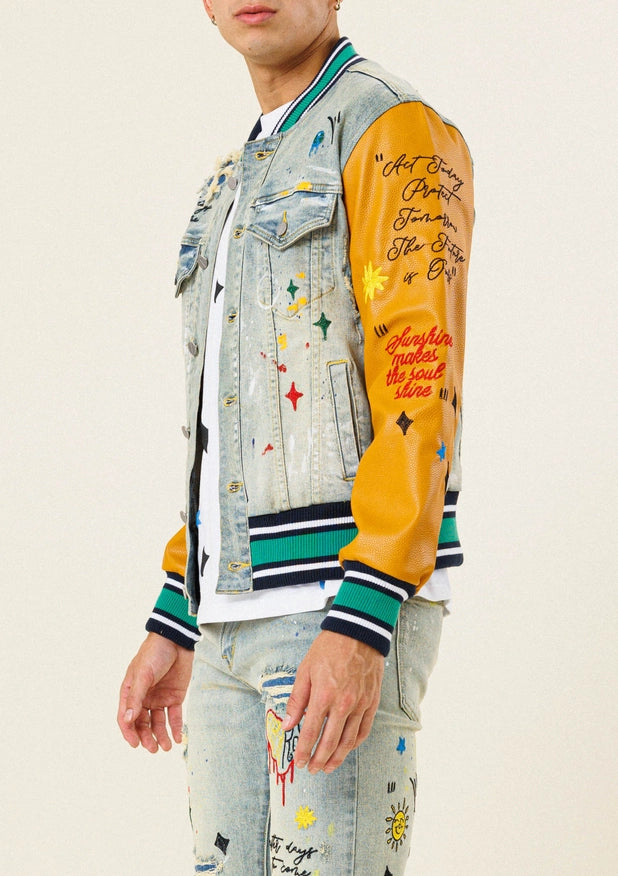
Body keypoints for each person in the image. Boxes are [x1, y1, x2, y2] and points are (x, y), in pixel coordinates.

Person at [118, 1, 473, 873]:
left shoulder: (390, 127)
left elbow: (419, 376)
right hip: (226, 621)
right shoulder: (232, 177)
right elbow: (224, 417)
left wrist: (365, 614)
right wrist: (179, 607)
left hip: (335, 607)